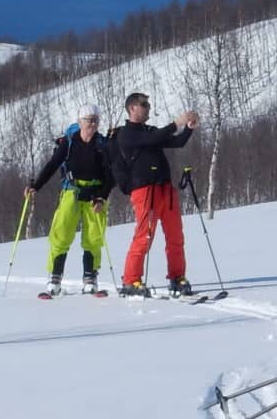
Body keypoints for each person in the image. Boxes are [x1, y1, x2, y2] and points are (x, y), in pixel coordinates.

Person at [113, 91, 199, 297]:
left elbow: (175, 142)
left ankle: (177, 277)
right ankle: (131, 280)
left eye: (149, 104)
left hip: (165, 189)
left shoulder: (150, 131)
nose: (148, 108)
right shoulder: (127, 133)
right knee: (145, 236)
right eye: (144, 104)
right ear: (132, 108)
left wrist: (188, 129)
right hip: (145, 190)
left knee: (176, 235)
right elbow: (152, 139)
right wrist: (176, 123)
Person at [25, 104, 114, 294]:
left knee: (94, 237)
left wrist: (101, 197)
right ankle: (54, 277)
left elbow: (110, 175)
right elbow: (53, 164)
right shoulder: (70, 141)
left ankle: (90, 277)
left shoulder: (103, 144)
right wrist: (36, 186)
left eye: (95, 120)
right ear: (80, 121)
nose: (92, 123)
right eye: (88, 119)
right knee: (61, 232)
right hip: (71, 191)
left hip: (94, 194)